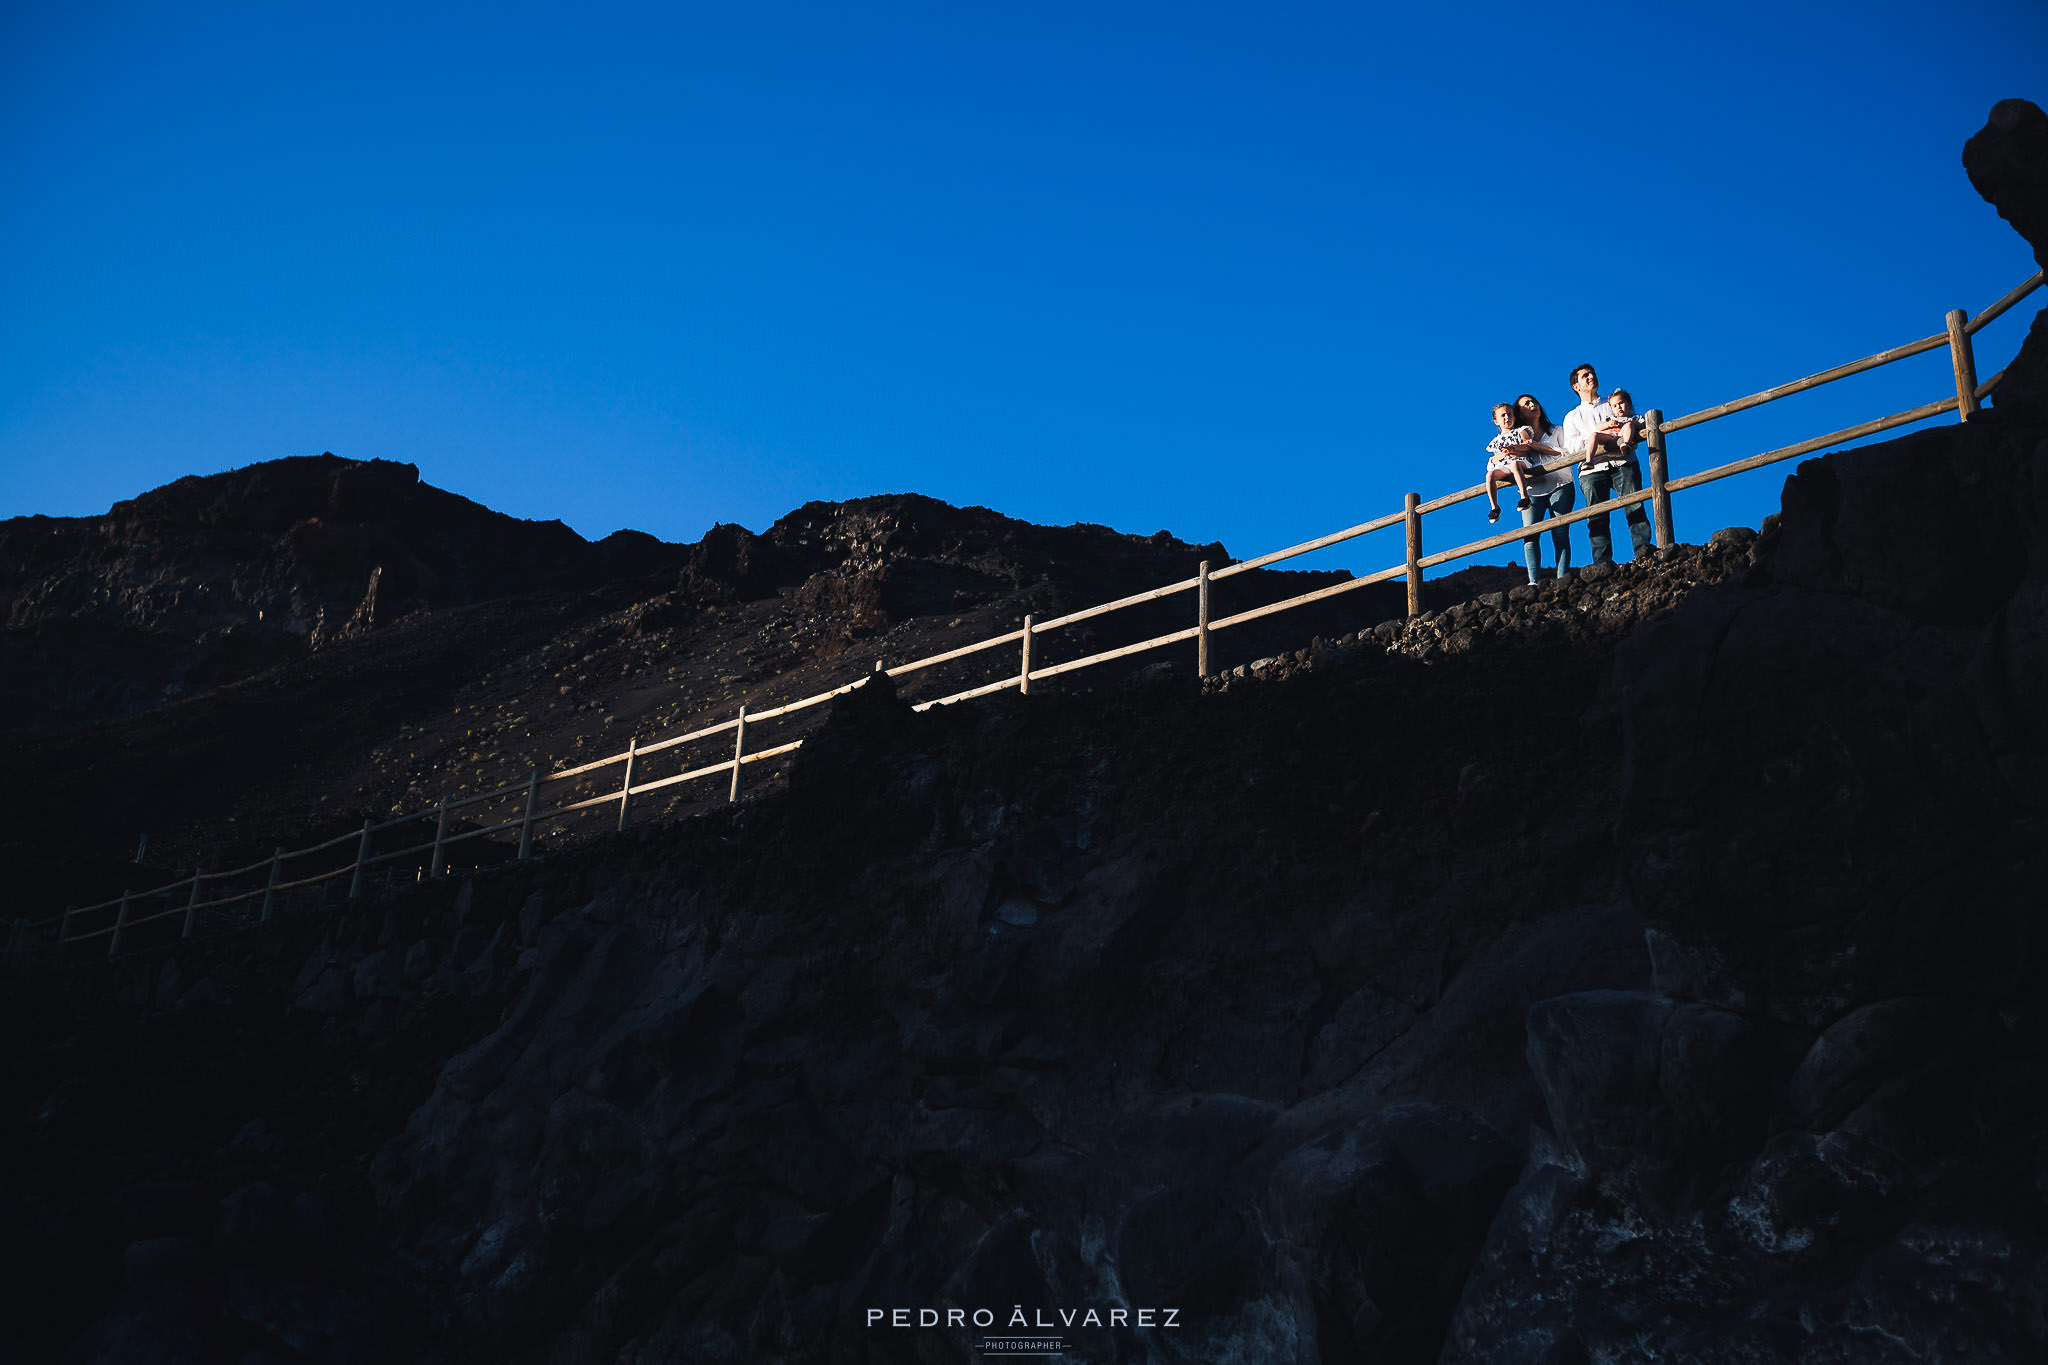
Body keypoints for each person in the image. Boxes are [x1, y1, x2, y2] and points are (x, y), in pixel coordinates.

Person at [1561, 363, 1654, 565]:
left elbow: (1635, 424)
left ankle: (1644, 552)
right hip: (1592, 469)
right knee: (1596, 516)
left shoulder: (1613, 403)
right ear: (1576, 386)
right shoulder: (1572, 417)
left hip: (1623, 461)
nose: (1591, 377)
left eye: (1592, 373)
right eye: (1585, 376)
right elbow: (1572, 447)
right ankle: (1602, 563)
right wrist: (1598, 433)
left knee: (1635, 504)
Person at [1510, 393, 1574, 584]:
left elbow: (1568, 453)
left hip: (1561, 484)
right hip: (1532, 491)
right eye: (1526, 404)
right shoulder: (1517, 438)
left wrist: (1538, 447)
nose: (1533, 405)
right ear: (1519, 414)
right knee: (1529, 535)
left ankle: (1562, 578)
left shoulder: (1557, 431)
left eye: (1534, 401)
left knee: (1560, 533)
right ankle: (1533, 582)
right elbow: (1504, 460)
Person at [1483, 402, 1537, 523]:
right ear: (1496, 421)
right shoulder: (1495, 441)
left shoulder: (1520, 431)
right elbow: (1493, 460)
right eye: (1503, 415)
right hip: (1504, 464)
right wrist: (1500, 456)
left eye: (1509, 414)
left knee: (1515, 465)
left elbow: (1528, 446)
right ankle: (1494, 507)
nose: (1507, 417)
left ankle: (1524, 497)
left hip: (1520, 460)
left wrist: (1515, 449)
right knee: (1490, 475)